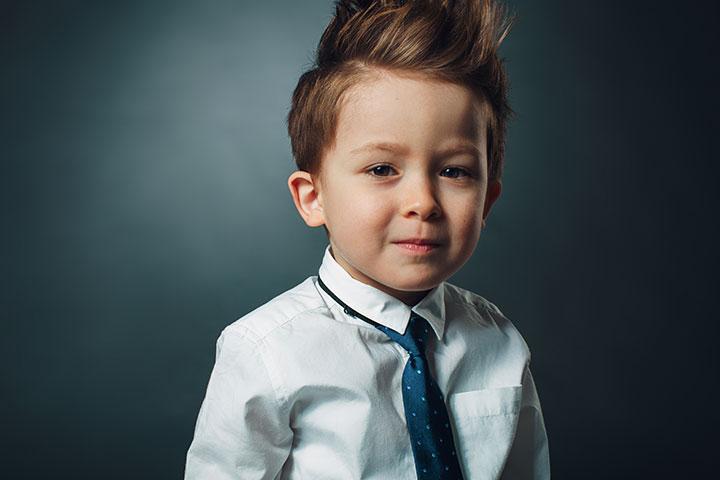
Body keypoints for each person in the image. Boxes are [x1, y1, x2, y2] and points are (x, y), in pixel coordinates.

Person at [184, 0, 550, 478]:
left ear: (487, 202)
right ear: (313, 197)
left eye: (454, 171)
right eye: (382, 169)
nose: (423, 201)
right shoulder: (265, 353)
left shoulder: (499, 341)